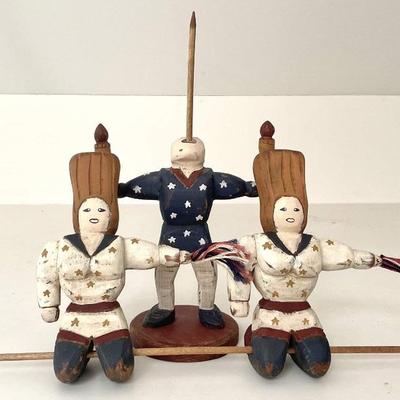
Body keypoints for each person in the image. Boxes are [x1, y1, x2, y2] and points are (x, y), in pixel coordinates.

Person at [37, 125, 187, 383]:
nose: (94, 215)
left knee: (120, 371)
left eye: (100, 210)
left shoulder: (119, 245)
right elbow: (46, 276)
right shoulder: (58, 248)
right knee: (65, 373)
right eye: (87, 210)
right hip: (74, 318)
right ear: (77, 213)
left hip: (110, 318)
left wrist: (174, 255)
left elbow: (149, 253)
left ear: (110, 214)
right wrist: (49, 304)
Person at [119, 135, 257, 329]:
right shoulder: (163, 177)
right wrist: (123, 189)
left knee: (207, 274)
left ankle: (207, 308)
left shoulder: (209, 177)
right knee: (164, 274)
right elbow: (139, 185)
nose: (186, 148)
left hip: (200, 235)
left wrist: (249, 188)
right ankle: (165, 307)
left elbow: (232, 185)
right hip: (170, 235)